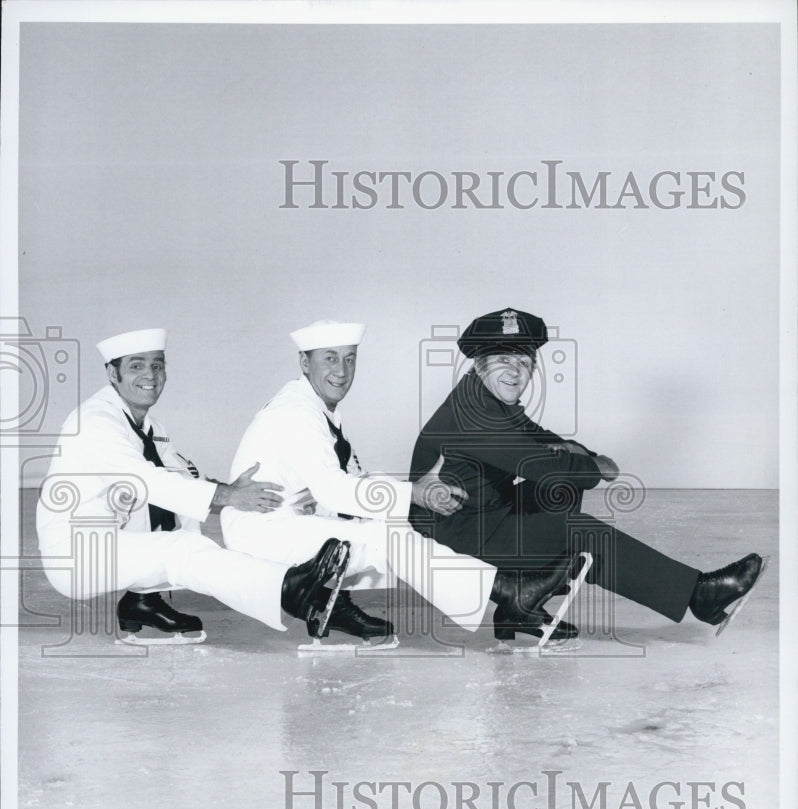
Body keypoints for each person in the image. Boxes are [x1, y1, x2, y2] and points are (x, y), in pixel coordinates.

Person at [408, 306, 767, 639]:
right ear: (480, 365)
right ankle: (698, 594)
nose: (515, 371)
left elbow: (535, 436)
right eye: (503, 360)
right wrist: (595, 467)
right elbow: (543, 467)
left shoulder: (482, 395)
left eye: (524, 360)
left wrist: (583, 453)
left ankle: (520, 604)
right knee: (579, 531)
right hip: (455, 531)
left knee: (563, 483)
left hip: (482, 515)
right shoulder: (477, 415)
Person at [221, 319, 578, 644]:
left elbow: (344, 481)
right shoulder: (297, 413)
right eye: (329, 359)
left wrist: (408, 495)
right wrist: (413, 493)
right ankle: (509, 595)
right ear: (304, 363)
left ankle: (332, 603)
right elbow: (333, 488)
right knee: (389, 539)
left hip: (290, 523)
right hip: (265, 532)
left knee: (390, 530)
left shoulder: (313, 406)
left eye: (349, 359)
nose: (342, 371)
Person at [36, 328, 351, 641]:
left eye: (157, 365)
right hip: (77, 553)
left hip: (111, 536)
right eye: (136, 366)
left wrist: (233, 492)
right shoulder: (95, 422)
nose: (150, 375)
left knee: (182, 501)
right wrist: (227, 496)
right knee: (181, 548)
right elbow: (144, 480)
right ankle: (286, 589)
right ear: (112, 373)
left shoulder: (149, 426)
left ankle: (142, 601)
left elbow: (185, 479)